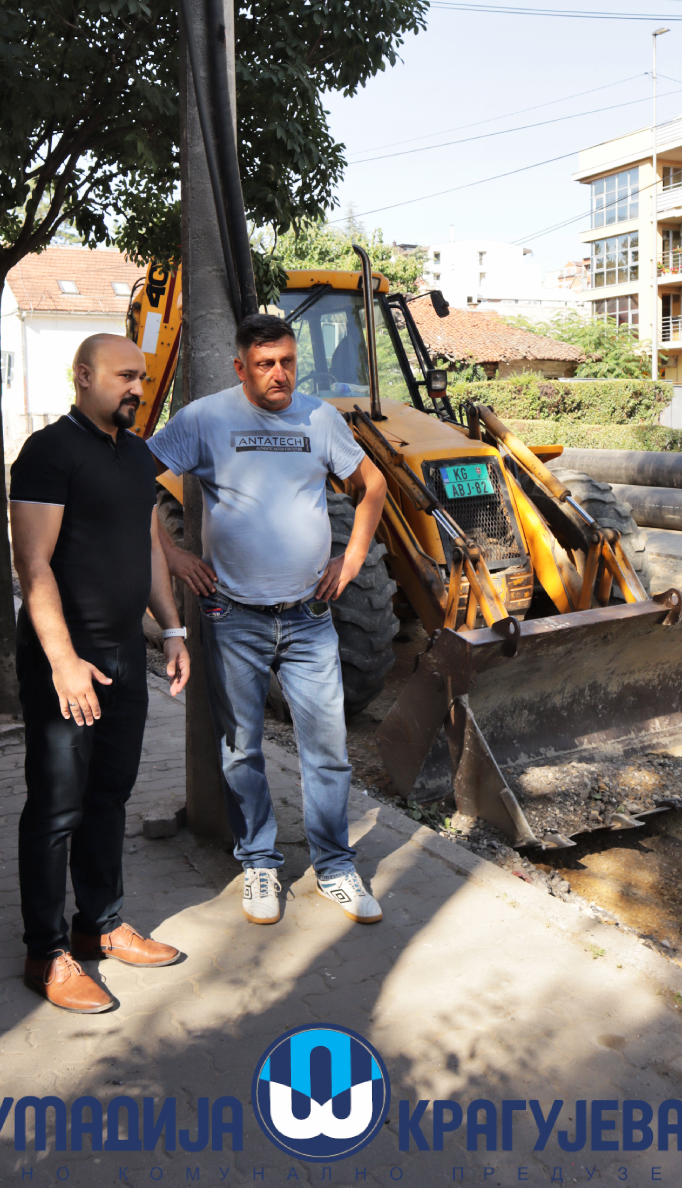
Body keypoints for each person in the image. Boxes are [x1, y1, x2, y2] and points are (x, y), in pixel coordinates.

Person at [148, 313, 388, 927]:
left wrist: (352, 558)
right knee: (241, 751)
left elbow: (373, 484)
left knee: (329, 750)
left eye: (287, 362)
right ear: (240, 367)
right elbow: (134, 484)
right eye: (264, 364)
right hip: (233, 617)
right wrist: (173, 556)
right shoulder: (204, 419)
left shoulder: (320, 419)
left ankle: (335, 867)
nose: (279, 374)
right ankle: (258, 861)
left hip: (310, 617)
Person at [9, 333, 191, 1014]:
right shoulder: (49, 452)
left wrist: (171, 628)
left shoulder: (137, 455)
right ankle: (45, 952)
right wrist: (63, 662)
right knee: (57, 806)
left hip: (122, 656)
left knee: (110, 795)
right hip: (66, 660)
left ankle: (101, 924)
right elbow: (33, 565)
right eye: (123, 376)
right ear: (83, 376)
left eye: (140, 377)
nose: (137, 388)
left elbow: (148, 545)